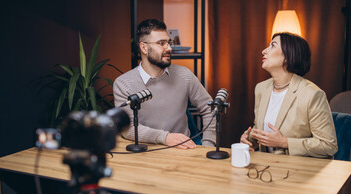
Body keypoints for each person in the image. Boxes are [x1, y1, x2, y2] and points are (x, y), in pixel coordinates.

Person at [113, 19, 216, 149]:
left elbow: (210, 109)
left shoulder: (185, 75)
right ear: (144, 47)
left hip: (182, 152)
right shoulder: (123, 83)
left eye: (169, 42)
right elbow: (128, 128)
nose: (169, 48)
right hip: (144, 153)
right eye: (161, 43)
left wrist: (208, 145)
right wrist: (165, 138)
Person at [240, 32, 337, 158]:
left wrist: (285, 143)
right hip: (266, 168)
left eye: (273, 46)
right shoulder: (261, 88)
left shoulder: (312, 94)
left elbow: (328, 145)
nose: (264, 51)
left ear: (288, 56)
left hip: (300, 170)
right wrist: (250, 139)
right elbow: (263, 129)